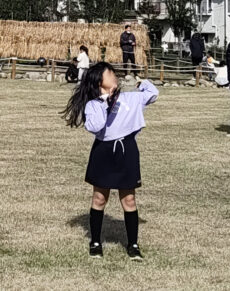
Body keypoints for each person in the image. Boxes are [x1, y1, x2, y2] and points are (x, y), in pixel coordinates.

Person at [63, 61, 158, 261]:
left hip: (127, 150)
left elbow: (153, 93)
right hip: (104, 151)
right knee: (99, 197)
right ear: (99, 81)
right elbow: (96, 126)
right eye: (109, 73)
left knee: (129, 199)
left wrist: (141, 83)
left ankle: (133, 245)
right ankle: (95, 242)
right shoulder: (93, 104)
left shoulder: (130, 98)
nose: (114, 75)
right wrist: (106, 101)